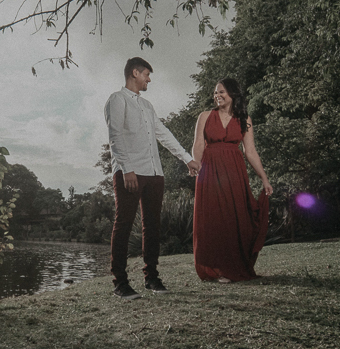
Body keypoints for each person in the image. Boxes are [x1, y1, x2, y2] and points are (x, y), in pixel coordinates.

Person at [104, 57, 200, 299]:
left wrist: (186, 158)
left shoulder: (148, 106)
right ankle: (120, 283)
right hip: (130, 172)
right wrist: (126, 169)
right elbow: (115, 135)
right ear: (135, 73)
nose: (149, 79)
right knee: (123, 224)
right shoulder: (117, 100)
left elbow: (163, 134)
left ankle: (152, 278)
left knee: (152, 226)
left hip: (155, 173)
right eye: (146, 74)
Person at [191, 78, 273, 282]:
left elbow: (251, 151)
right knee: (215, 220)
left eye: (222, 92)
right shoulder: (205, 116)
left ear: (233, 94)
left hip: (235, 171)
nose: (217, 96)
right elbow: (198, 144)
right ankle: (219, 269)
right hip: (210, 171)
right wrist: (196, 166)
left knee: (237, 218)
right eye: (215, 93)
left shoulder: (245, 119)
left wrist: (264, 178)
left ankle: (233, 266)